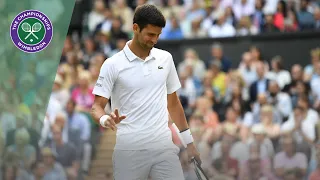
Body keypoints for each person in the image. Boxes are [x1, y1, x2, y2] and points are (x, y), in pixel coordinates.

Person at [90, 4, 201, 180]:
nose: (154, 40)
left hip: (163, 148)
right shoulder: (112, 65)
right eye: (150, 34)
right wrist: (105, 118)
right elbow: (96, 106)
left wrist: (189, 143)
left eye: (158, 35)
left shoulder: (166, 58)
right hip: (129, 151)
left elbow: (173, 104)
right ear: (135, 28)